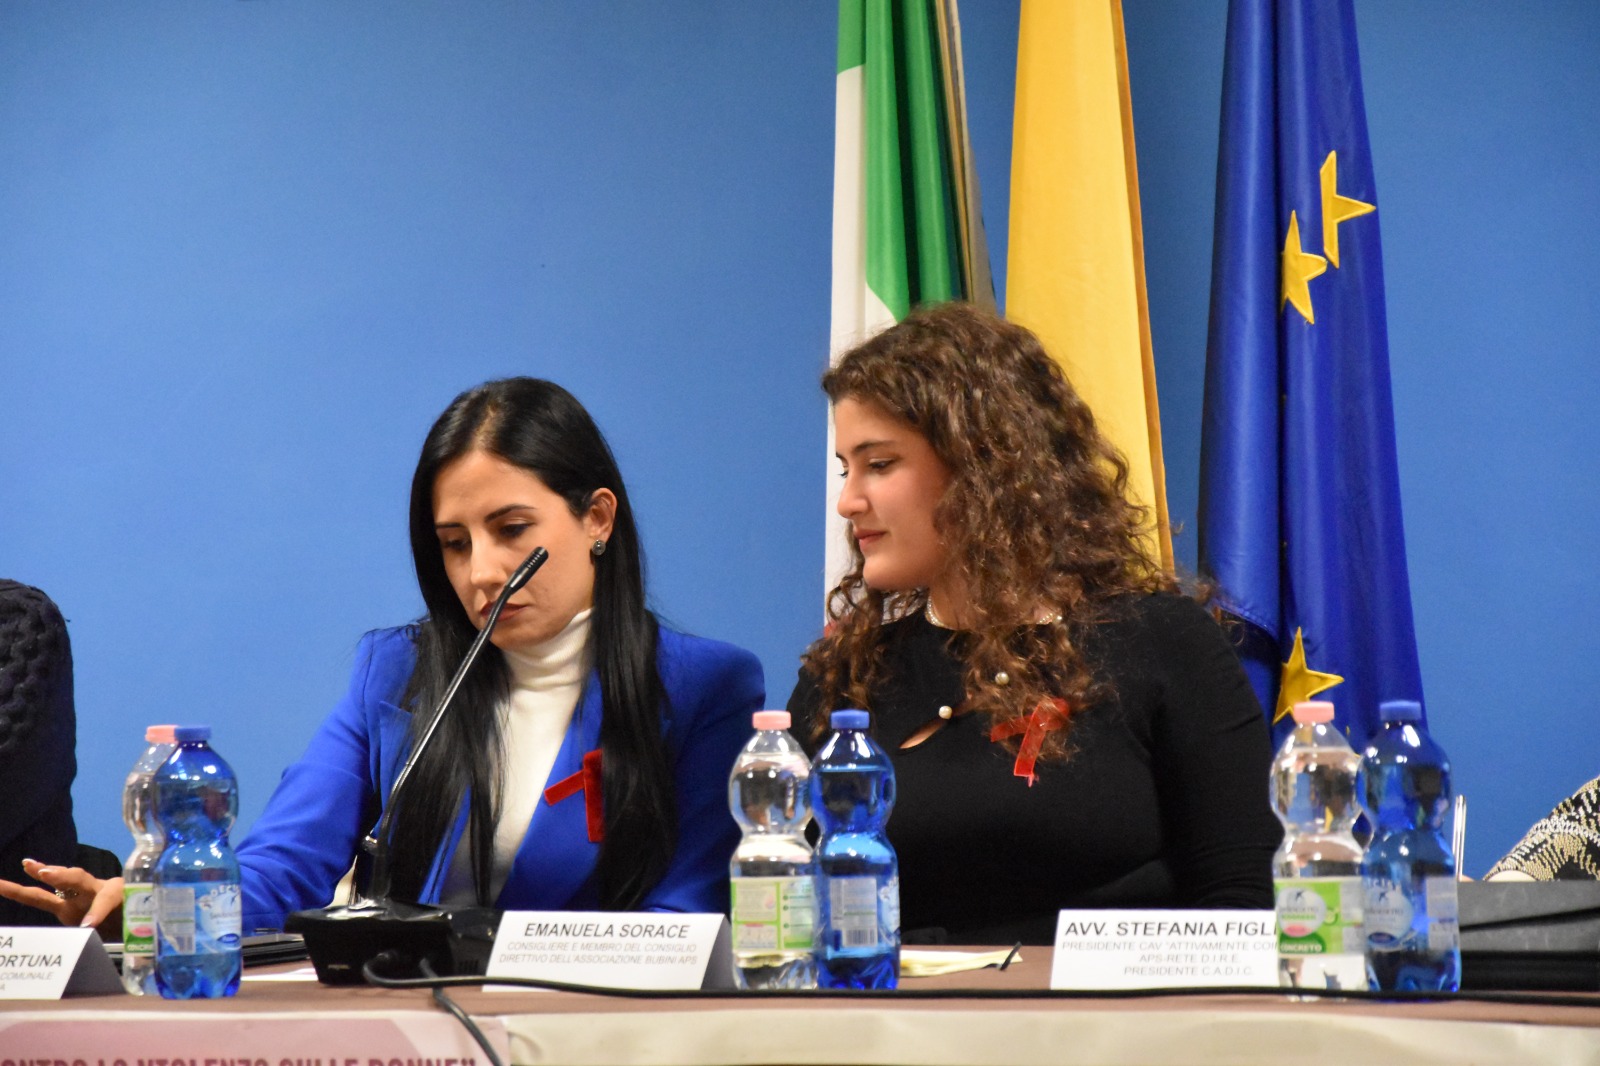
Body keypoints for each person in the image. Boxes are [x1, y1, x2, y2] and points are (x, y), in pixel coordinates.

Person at [1, 378, 764, 933]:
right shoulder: (395, 672)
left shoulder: (707, 686)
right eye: (454, 543)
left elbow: (687, 915)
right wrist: (162, 908)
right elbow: (285, 863)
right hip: (409, 1022)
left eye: (512, 530)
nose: (482, 572)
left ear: (597, 517)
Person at [789, 303, 1281, 946]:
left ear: (982, 466)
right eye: (845, 468)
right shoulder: (845, 678)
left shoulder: (1161, 642)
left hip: (1115, 1009)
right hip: (892, 1010)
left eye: (879, 465)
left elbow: (1243, 903)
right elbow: (781, 908)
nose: (848, 501)